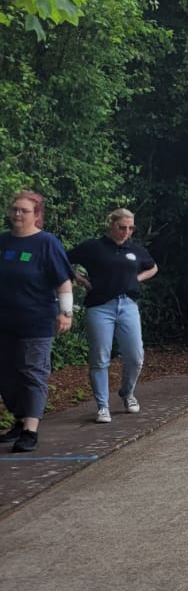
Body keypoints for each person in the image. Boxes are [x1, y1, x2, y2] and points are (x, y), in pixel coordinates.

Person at [68, 208, 157, 423]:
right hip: (100, 306)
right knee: (100, 357)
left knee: (135, 356)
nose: (126, 232)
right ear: (112, 225)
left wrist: (137, 279)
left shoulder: (135, 249)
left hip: (128, 305)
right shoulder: (94, 247)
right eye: (122, 227)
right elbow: (62, 259)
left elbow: (153, 267)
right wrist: (80, 279)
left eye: (130, 228)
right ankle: (102, 405)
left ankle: (127, 392)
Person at [0, 192, 73, 452]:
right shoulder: (3, 241)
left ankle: (30, 429)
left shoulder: (47, 243)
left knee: (32, 372)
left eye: (24, 210)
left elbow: (63, 281)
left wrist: (65, 313)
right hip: (5, 321)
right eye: (14, 209)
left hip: (36, 321)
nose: (17, 214)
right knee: (6, 376)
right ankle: (20, 420)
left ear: (37, 215)